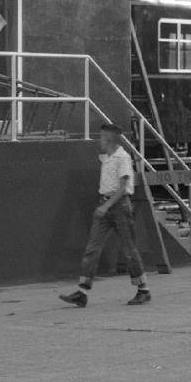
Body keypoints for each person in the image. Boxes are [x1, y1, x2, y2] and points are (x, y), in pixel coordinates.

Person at [59, 124, 152, 308]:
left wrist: (106, 206)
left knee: (129, 249)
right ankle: (83, 291)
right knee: (92, 249)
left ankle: (143, 289)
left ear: (109, 140)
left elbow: (124, 187)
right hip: (107, 204)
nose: (99, 140)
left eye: (101, 137)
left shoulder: (122, 158)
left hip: (118, 206)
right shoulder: (108, 157)